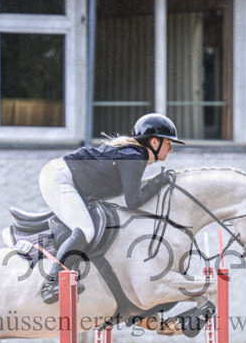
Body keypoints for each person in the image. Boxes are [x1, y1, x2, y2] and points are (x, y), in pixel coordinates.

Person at [37, 113, 184, 304]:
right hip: (59, 178)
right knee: (86, 230)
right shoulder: (133, 157)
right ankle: (51, 283)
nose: (171, 149)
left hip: (66, 176)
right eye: (168, 143)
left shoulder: (133, 155)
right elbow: (133, 201)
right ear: (154, 142)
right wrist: (158, 182)